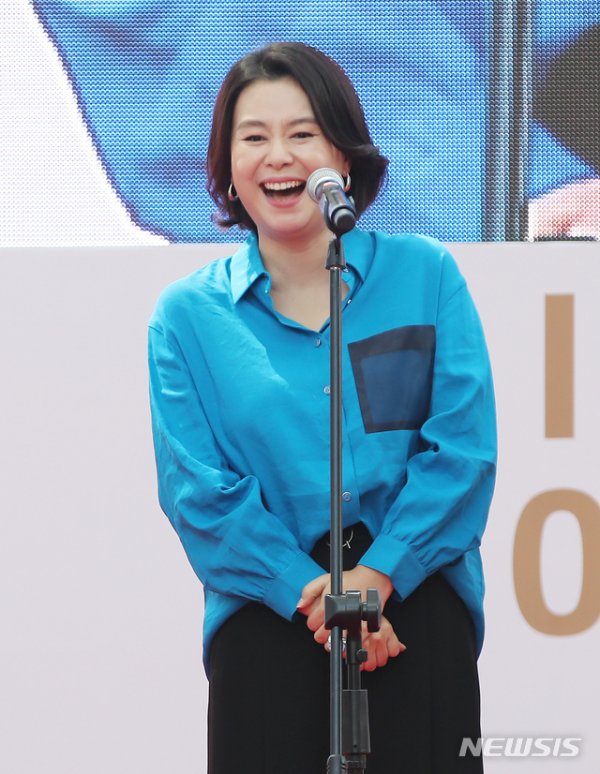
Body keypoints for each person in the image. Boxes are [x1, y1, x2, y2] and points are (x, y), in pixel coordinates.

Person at [148, 42, 497, 773]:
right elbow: (200, 494)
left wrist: (376, 580)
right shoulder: (188, 317)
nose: (279, 157)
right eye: (254, 137)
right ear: (227, 165)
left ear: (343, 152)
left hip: (412, 601)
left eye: (302, 133)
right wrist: (317, 597)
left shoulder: (426, 275)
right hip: (271, 612)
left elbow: (461, 452)